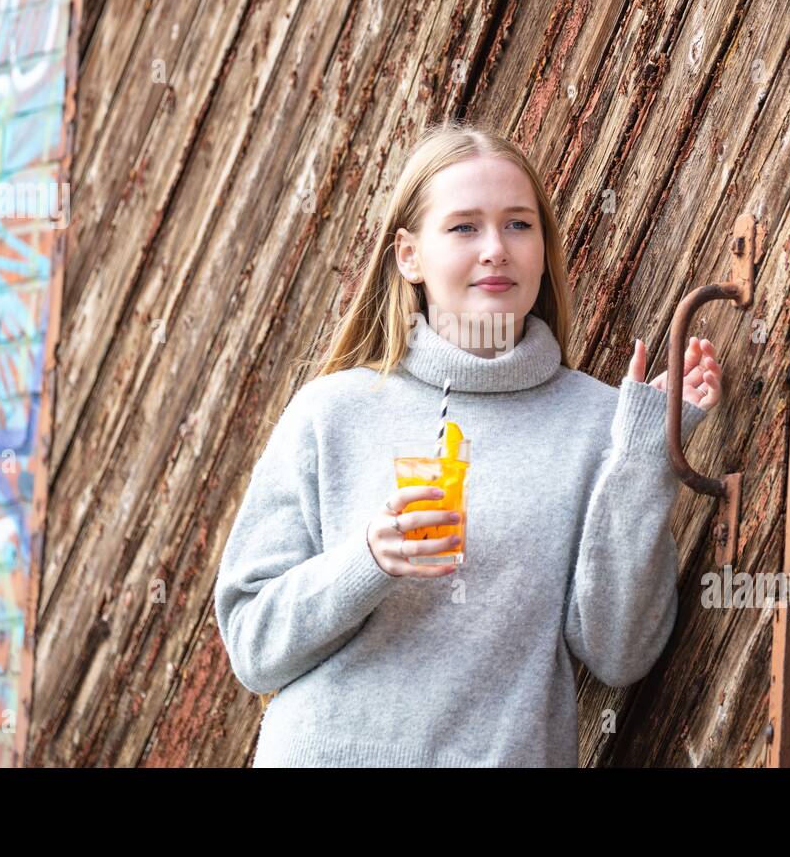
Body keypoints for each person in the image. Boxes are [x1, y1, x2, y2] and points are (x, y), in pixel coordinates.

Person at [213, 120, 723, 767]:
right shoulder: (332, 412)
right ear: (408, 256)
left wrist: (645, 457)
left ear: (543, 247)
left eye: (518, 224)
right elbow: (253, 646)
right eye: (463, 227)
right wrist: (367, 560)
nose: (495, 249)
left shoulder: (602, 424)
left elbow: (620, 653)